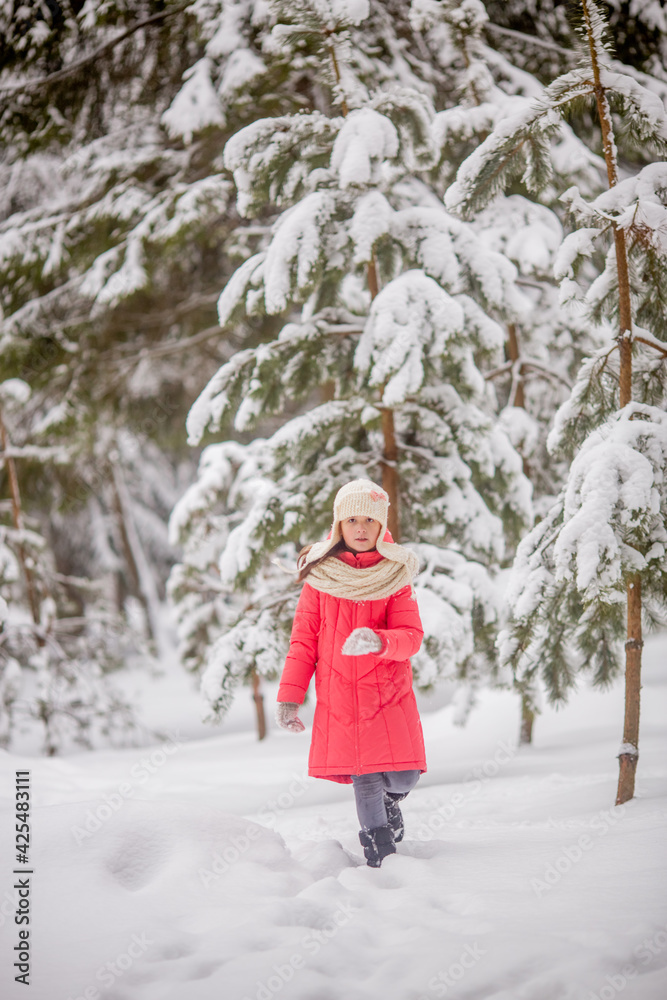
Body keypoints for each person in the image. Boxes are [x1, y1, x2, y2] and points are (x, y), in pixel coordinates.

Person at [275, 478, 427, 867]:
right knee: (366, 776)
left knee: (404, 776)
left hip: (388, 694)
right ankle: (380, 854)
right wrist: (290, 698)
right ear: (338, 526)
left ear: (382, 527)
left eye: (369, 521)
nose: (360, 529)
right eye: (352, 520)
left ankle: (393, 803)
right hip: (340, 697)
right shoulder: (321, 578)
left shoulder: (394, 576)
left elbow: (411, 637)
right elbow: (303, 643)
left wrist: (379, 642)